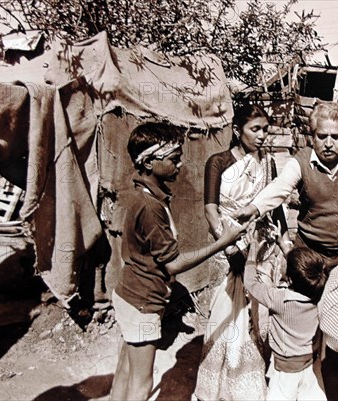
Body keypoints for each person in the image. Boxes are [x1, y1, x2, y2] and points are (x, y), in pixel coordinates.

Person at [233, 102, 338, 400]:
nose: (329, 143)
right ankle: (289, 386)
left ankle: (331, 394)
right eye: (322, 136)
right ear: (312, 135)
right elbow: (279, 188)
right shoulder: (299, 162)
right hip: (308, 262)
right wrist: (252, 207)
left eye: (336, 136)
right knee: (300, 330)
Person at [109, 122, 247, 401]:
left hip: (129, 294)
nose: (181, 164)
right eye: (173, 159)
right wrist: (223, 241)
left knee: (126, 368)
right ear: (148, 162)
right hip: (144, 302)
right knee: (142, 382)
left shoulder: (146, 196)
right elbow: (172, 265)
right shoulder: (150, 207)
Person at [194, 104, 288, 400]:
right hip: (229, 244)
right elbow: (210, 209)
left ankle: (250, 381)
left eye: (265, 129)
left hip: (262, 246)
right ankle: (220, 383)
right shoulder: (218, 161)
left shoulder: (268, 164)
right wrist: (229, 246)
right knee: (227, 310)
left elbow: (275, 206)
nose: (262, 136)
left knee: (257, 310)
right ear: (238, 130)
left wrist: (285, 243)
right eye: (255, 129)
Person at [243, 235, 327, 401]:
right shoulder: (319, 295)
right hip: (309, 361)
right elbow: (303, 274)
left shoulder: (279, 300)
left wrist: (252, 251)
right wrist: (286, 248)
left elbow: (251, 283)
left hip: (286, 368)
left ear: (288, 279)